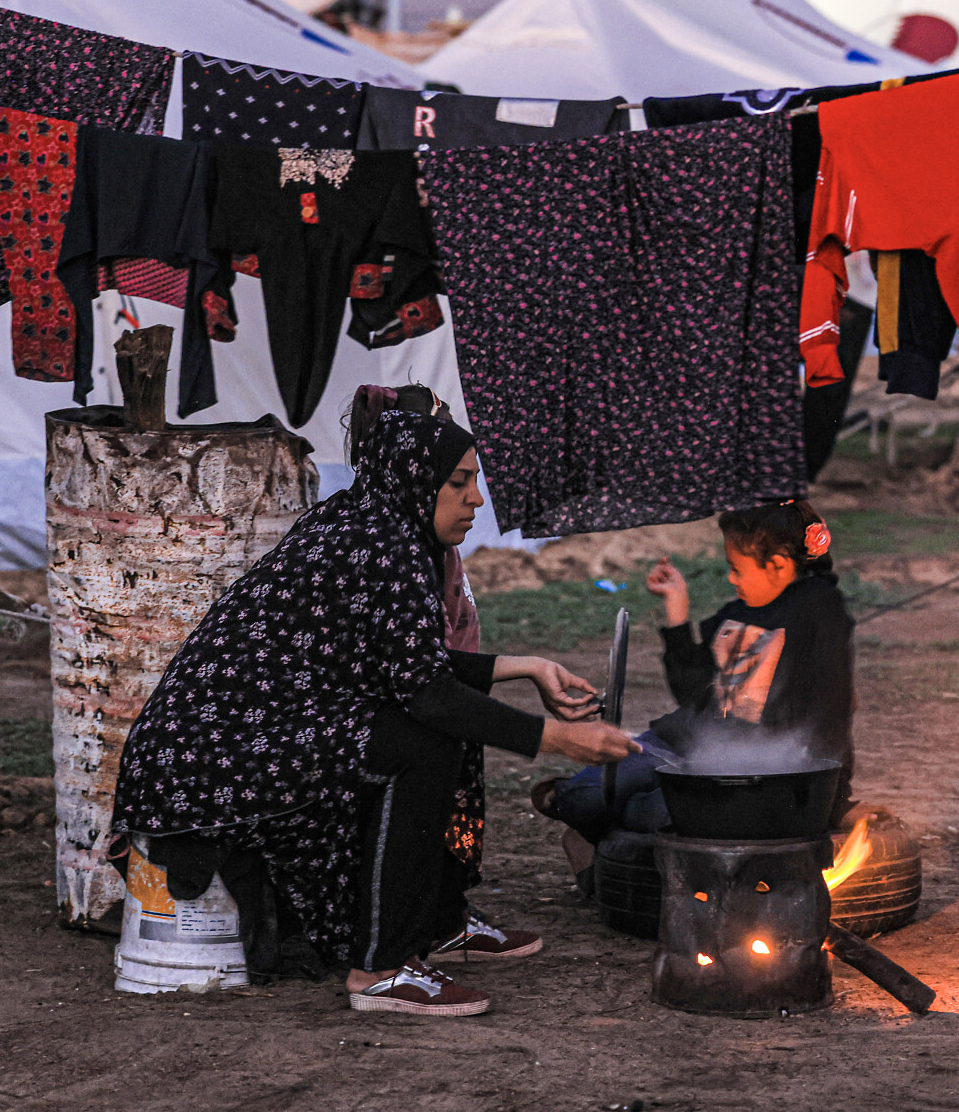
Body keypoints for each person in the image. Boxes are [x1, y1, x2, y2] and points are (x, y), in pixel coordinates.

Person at [110, 405, 636, 1018]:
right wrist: (558, 740)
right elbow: (424, 693)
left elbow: (403, 663)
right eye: (458, 482)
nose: (475, 499)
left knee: (444, 725)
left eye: (475, 480)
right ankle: (381, 969)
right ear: (415, 480)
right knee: (424, 739)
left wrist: (526, 667)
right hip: (205, 754)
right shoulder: (382, 543)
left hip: (257, 728)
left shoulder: (378, 524)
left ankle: (435, 921)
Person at [537, 499, 858, 852]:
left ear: (778, 566)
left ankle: (613, 827)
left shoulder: (821, 612)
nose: (730, 578)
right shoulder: (737, 613)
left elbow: (834, 715)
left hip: (745, 773)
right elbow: (692, 693)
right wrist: (677, 611)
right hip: (682, 745)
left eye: (737, 568)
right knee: (585, 798)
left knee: (650, 812)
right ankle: (590, 806)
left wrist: (836, 802)